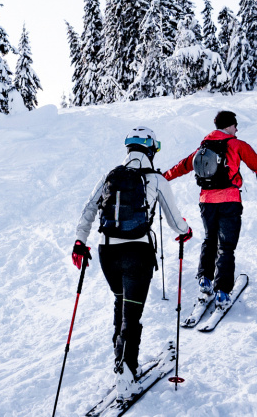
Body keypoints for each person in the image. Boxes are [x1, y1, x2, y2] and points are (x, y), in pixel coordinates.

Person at [70, 127, 193, 379]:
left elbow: (88, 209)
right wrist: (185, 230)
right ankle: (126, 373)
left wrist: (80, 242)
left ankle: (120, 361)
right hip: (137, 253)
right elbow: (174, 220)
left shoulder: (109, 176)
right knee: (132, 314)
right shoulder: (156, 180)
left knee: (121, 302)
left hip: (107, 252)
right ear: (151, 150)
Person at [162, 111, 257, 307]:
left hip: (206, 201)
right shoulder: (237, 144)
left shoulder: (204, 147)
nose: (237, 129)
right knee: (226, 246)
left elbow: (183, 166)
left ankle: (205, 279)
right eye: (235, 126)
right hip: (230, 200)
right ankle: (222, 292)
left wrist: (163, 177)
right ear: (229, 126)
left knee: (210, 239)